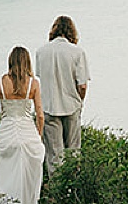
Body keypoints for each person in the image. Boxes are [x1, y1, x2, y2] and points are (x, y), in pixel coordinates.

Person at [0, 45, 45, 204]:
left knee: (5, 179)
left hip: (7, 132)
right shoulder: (33, 83)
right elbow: (40, 116)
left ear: (10, 61)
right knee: (27, 182)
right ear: (27, 61)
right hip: (27, 134)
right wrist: (38, 135)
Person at [35, 15, 89, 175]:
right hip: (71, 106)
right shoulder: (78, 52)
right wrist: (80, 101)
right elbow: (83, 85)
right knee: (73, 151)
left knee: (54, 155)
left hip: (49, 107)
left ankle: (57, 192)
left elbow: (40, 78)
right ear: (72, 31)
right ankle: (72, 188)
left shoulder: (41, 51)